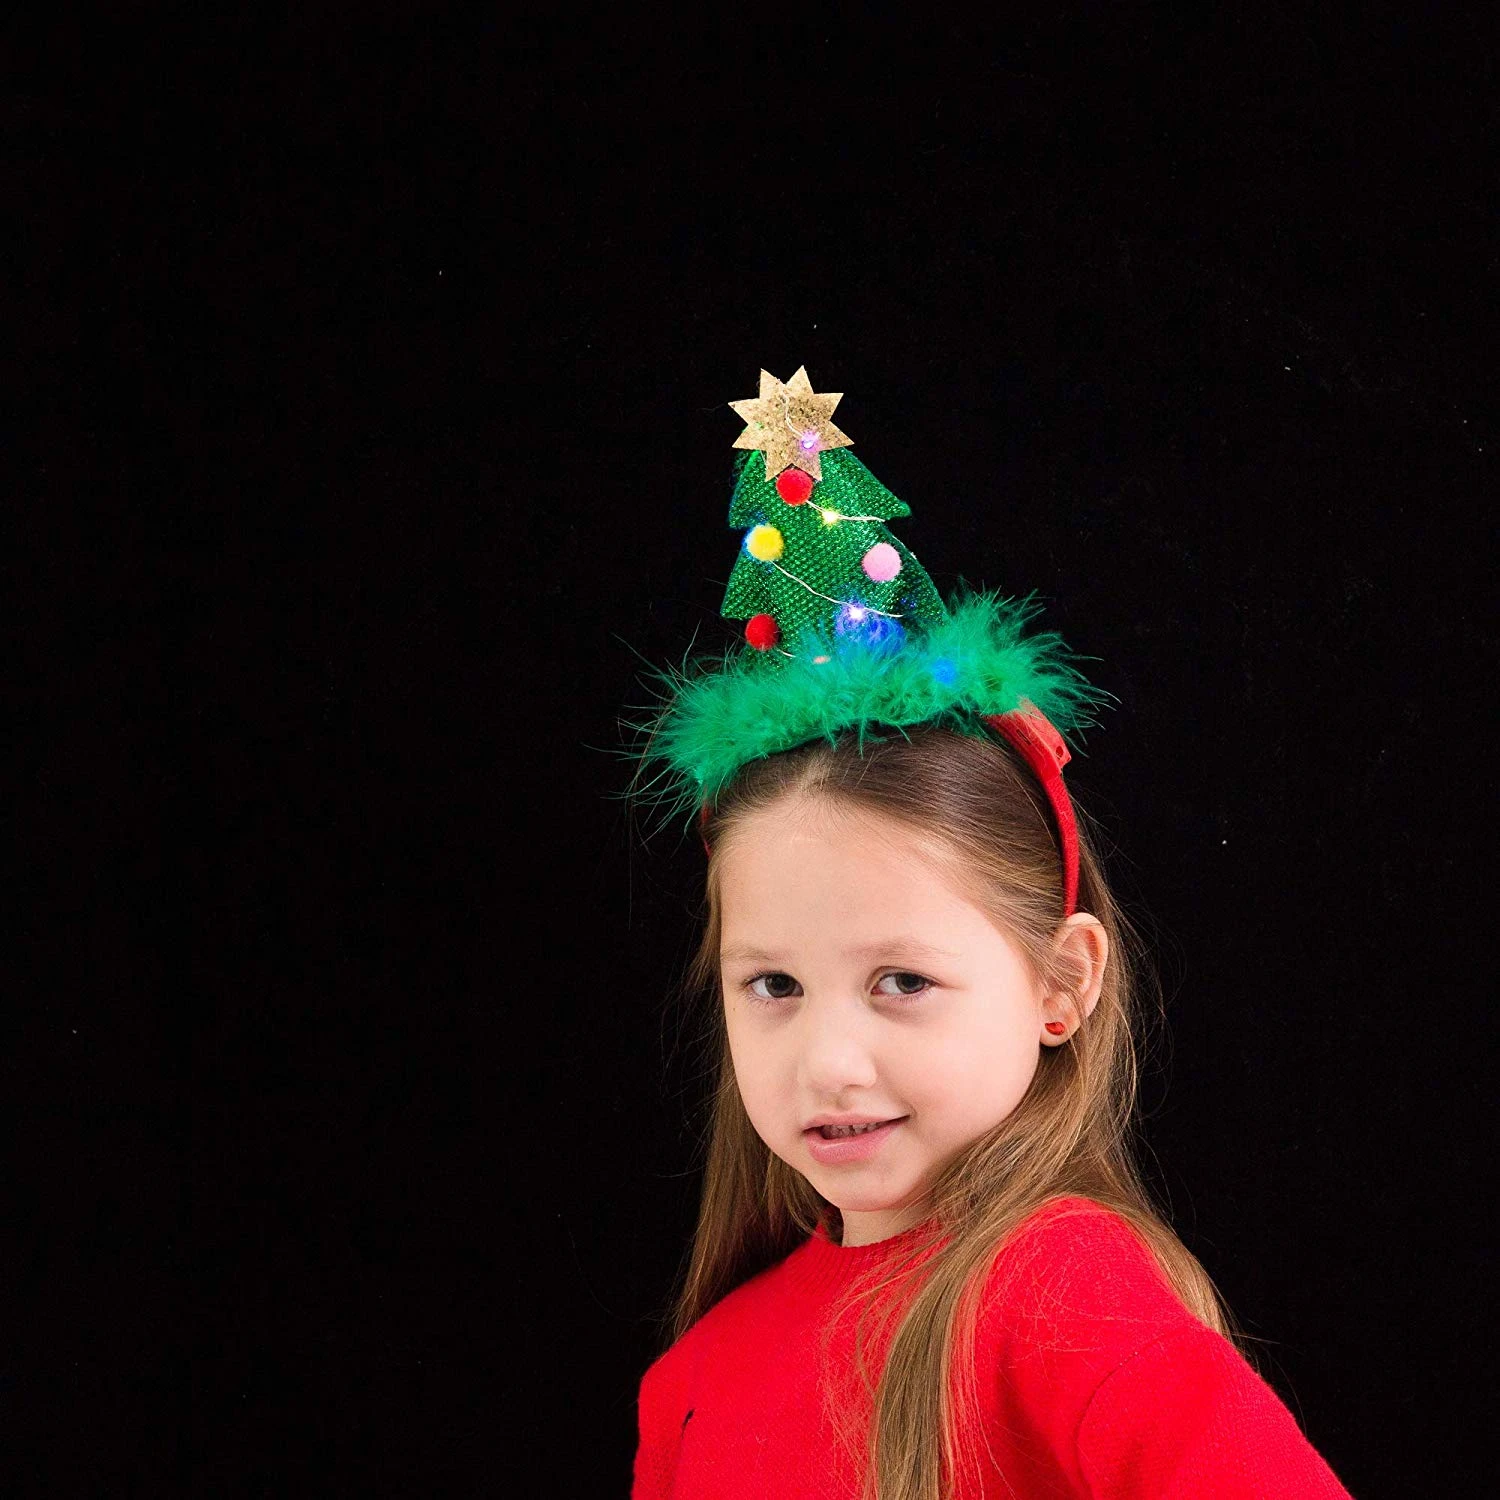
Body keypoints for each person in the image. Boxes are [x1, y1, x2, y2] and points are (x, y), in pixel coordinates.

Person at [622, 368, 1355, 1499]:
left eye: (903, 979)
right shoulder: (693, 1375)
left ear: (1062, 983)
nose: (827, 1061)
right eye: (772, 985)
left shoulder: (1059, 1294)